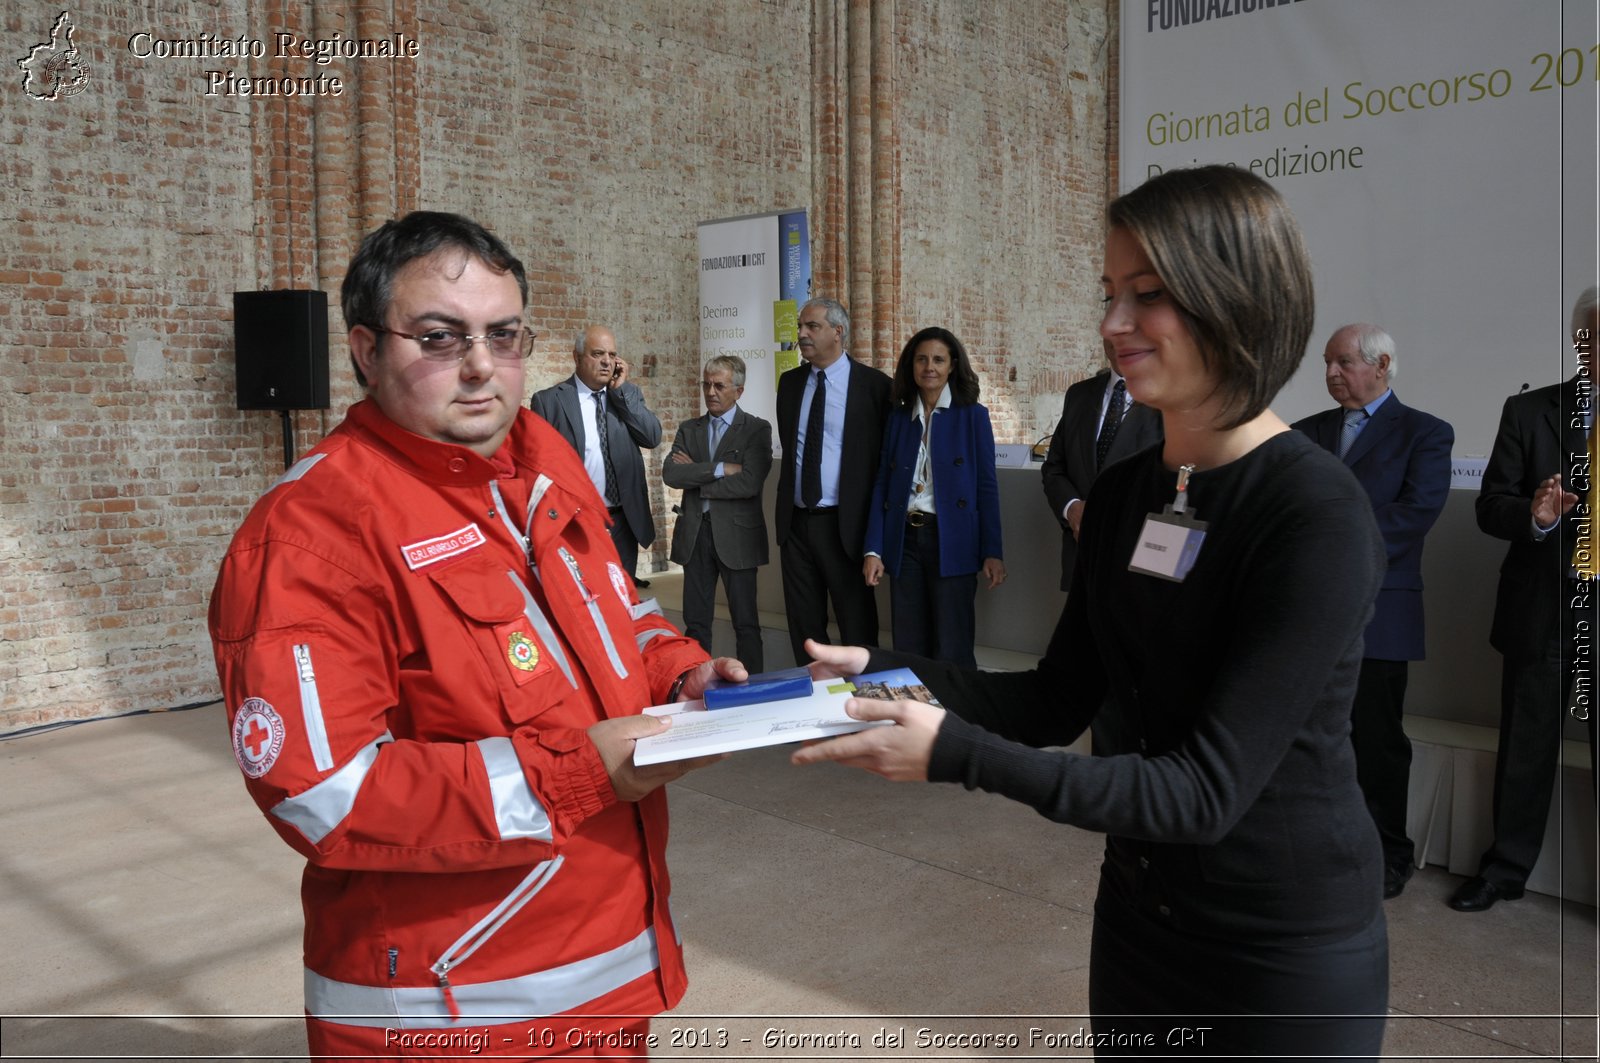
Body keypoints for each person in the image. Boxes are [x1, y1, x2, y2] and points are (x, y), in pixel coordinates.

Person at [794, 166, 1390, 1057]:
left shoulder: (1315, 512)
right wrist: (886, 674)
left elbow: (1202, 791)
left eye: (1145, 295)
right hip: (1141, 916)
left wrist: (956, 755)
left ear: (1237, 300)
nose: (1112, 325)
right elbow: (1056, 695)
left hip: (1279, 944)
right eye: (1110, 294)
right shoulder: (1122, 496)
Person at [209, 211, 741, 1058]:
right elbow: (325, 793)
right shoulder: (312, 531)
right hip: (449, 1008)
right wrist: (573, 777)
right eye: (439, 337)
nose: (483, 367)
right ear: (363, 349)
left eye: (504, 333)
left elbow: (616, 611)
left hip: (602, 976)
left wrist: (683, 673)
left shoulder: (544, 459)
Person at [1449, 285, 1599, 913]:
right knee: (1527, 747)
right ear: (1578, 340)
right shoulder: (1529, 410)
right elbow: (1491, 506)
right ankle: (1504, 870)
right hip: (1545, 605)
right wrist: (1536, 516)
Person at [1291, 323, 1454, 899]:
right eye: (1328, 364)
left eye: (1343, 363)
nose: (1331, 373)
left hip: (1381, 612)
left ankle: (1388, 854)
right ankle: (1316, 846)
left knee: (1378, 742)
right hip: (1308, 612)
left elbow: (1415, 515)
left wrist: (1328, 536)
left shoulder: (1426, 433)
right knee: (1310, 735)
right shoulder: (1304, 433)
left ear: (1381, 365)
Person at [861, 326, 1004, 670]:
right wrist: (873, 549)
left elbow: (986, 487)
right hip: (905, 540)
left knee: (952, 643)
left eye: (939, 359)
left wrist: (992, 551)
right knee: (908, 644)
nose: (930, 367)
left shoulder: (973, 416)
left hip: (952, 539)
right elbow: (883, 483)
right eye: (922, 359)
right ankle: (912, 717)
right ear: (911, 365)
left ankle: (956, 720)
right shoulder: (898, 417)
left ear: (953, 365)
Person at [773, 297, 892, 664]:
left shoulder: (874, 387)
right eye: (800, 327)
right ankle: (813, 706)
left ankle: (863, 706)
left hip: (845, 526)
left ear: (838, 332)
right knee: (804, 629)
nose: (802, 334)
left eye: (812, 327)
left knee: (856, 626)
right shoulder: (790, 384)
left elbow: (883, 464)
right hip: (795, 524)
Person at [662, 355, 773, 672]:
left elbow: (750, 482)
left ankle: (752, 690)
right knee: (695, 623)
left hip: (738, 538)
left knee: (746, 623)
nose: (710, 392)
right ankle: (694, 687)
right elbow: (672, 474)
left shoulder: (755, 429)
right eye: (706, 384)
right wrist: (721, 469)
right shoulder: (689, 428)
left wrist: (699, 481)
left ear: (738, 390)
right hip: (695, 535)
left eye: (719, 385)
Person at [531, 325, 661, 587]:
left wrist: (621, 393)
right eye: (598, 353)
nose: (607, 362)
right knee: (584, 599)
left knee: (622, 601)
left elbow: (651, 437)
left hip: (622, 521)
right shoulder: (549, 402)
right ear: (577, 357)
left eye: (612, 355)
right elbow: (537, 468)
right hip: (576, 522)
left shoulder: (627, 395)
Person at [1041, 340, 1163, 590]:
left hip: (1139, 565)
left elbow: (1175, 483)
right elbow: (1054, 467)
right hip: (1081, 559)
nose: (1119, 339)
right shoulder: (1078, 395)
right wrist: (1072, 508)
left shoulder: (1168, 400)